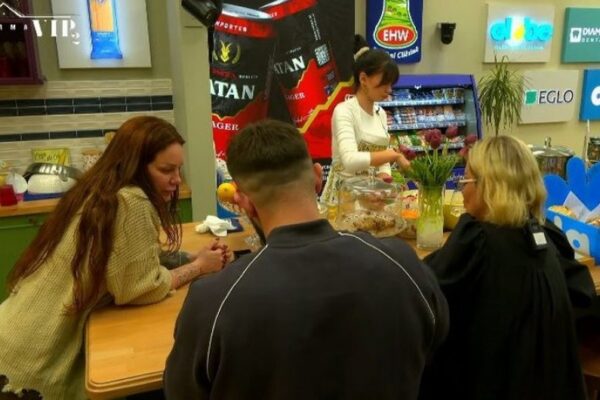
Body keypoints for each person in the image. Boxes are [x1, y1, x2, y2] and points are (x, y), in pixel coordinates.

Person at [164, 119, 449, 400]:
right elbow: (436, 342)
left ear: (243, 201)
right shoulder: (403, 265)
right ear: (317, 177)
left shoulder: (213, 301)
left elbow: (182, 392)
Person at [0, 116, 228, 400]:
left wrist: (191, 257)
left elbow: (134, 255)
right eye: (166, 170)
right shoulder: (132, 201)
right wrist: (199, 268)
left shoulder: (101, 190)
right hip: (31, 362)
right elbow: (138, 288)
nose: (177, 180)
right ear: (135, 166)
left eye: (178, 169)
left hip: (13, 331)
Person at [419, 136, 595, 400]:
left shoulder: (476, 241)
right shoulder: (546, 235)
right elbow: (581, 290)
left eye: (465, 181)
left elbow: (424, 290)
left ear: (487, 187)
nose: (462, 191)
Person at [320, 34, 409, 205]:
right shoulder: (344, 111)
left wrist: (384, 178)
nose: (389, 90)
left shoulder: (381, 114)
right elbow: (350, 161)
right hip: (343, 198)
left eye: (391, 84)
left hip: (371, 197)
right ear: (363, 79)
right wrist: (393, 155)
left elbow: (383, 161)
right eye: (384, 83)